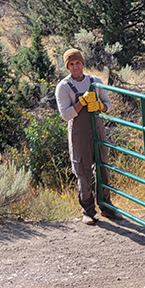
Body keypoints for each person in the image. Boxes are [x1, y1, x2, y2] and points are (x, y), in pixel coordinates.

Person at [55, 48, 122, 225]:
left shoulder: (95, 81)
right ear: (67, 67)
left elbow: (109, 105)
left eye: (78, 63)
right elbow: (66, 114)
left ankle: (106, 207)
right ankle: (88, 211)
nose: (75, 67)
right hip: (79, 134)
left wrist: (99, 105)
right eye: (71, 64)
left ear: (83, 63)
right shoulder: (63, 87)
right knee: (83, 172)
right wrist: (81, 103)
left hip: (98, 131)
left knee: (103, 169)